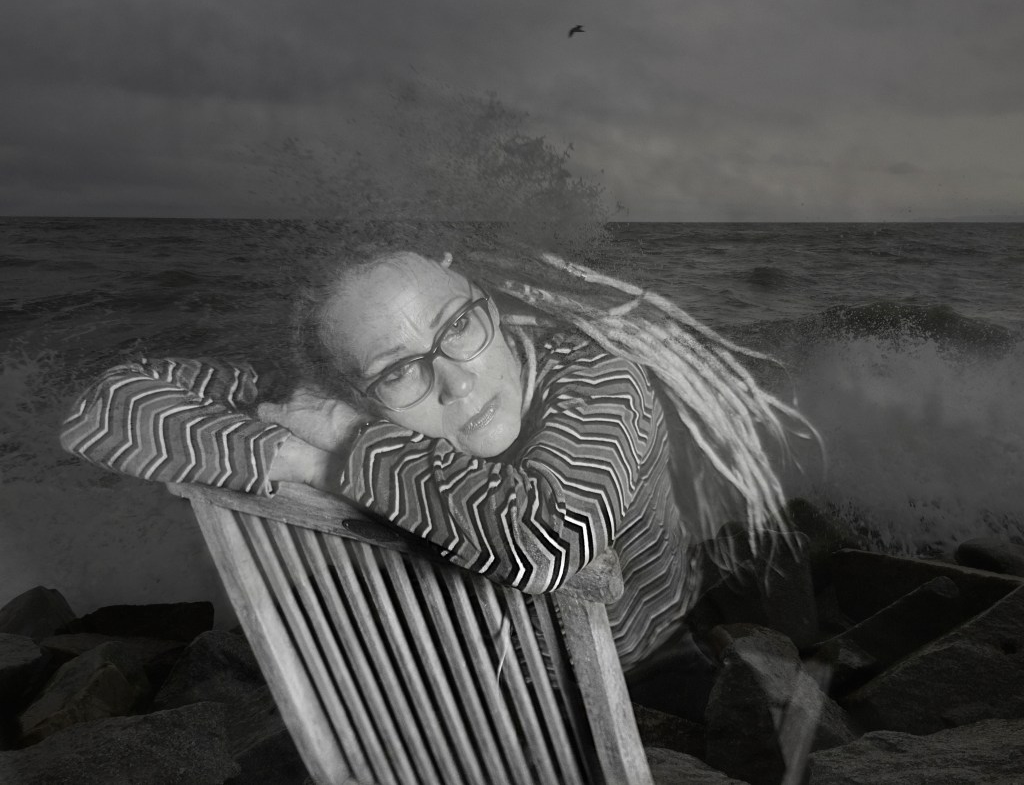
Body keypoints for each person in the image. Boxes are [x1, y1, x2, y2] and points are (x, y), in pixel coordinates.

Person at [60, 244, 815, 685]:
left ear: (487, 301)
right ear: (351, 388)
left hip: (638, 672)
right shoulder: (338, 401)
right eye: (398, 371)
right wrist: (297, 443)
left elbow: (549, 537)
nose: (456, 382)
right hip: (472, 690)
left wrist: (330, 455)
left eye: (458, 325)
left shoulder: (603, 380)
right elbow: (98, 414)